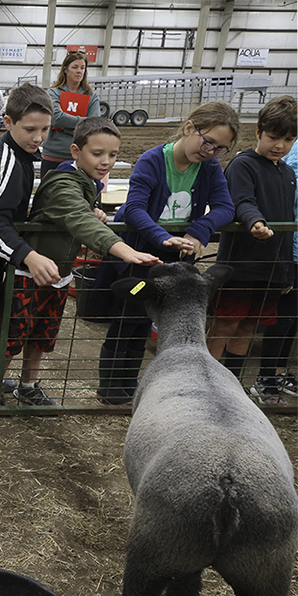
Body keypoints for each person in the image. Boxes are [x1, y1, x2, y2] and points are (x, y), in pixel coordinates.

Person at [3, 116, 161, 407]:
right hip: (30, 273)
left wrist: (95, 209)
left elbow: (81, 211)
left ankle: (27, 385)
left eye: (113, 155)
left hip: (59, 274)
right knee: (12, 337)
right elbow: (77, 217)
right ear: (76, 152)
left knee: (42, 335)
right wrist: (123, 249)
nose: (106, 162)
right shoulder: (63, 182)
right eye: (97, 153)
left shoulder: (88, 183)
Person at [95, 100, 238, 406]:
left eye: (220, 148)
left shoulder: (209, 167)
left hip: (173, 256)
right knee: (126, 318)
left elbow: (226, 207)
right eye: (208, 141)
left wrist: (198, 231)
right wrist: (162, 238)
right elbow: (134, 208)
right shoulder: (152, 160)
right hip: (139, 253)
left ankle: (130, 385)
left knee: (147, 321)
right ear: (189, 128)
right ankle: (109, 387)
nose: (211, 151)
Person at [207, 95, 297, 398]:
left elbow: (287, 223)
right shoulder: (243, 164)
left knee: (248, 326)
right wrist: (255, 221)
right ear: (258, 131)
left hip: (271, 270)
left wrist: (284, 272)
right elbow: (242, 201)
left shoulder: (287, 172)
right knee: (225, 323)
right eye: (273, 137)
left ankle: (230, 386)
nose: (279, 145)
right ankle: (206, 384)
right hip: (240, 267)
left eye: (288, 139)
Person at [0, 84, 59, 400]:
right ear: (8, 121)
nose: (39, 137)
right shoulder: (7, 160)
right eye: (30, 129)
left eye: (44, 129)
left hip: (0, 256)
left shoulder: (23, 153)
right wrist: (27, 255)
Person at [249, 135, 298, 405]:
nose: (281, 144)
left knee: (292, 315)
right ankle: (266, 378)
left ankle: (278, 373)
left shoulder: (288, 163)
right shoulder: (292, 159)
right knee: (283, 314)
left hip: (290, 243)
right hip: (290, 246)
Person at [41, 52, 101, 173]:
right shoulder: (53, 93)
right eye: (75, 67)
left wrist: (64, 124)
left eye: (82, 68)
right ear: (65, 70)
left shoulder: (91, 97)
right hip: (53, 155)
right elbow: (56, 118)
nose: (79, 71)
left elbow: (95, 124)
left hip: (80, 157)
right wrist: (83, 122)